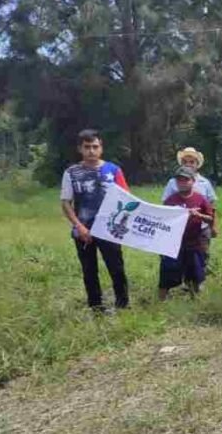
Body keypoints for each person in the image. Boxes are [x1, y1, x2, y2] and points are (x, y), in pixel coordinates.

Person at [60, 129, 131, 311]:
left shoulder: (113, 170)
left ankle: (123, 304)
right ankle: (96, 307)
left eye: (95, 147)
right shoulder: (71, 172)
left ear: (101, 148)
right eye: (87, 147)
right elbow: (66, 203)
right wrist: (79, 226)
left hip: (110, 229)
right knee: (89, 270)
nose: (91, 151)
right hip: (83, 230)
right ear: (80, 149)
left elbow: (127, 198)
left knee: (116, 268)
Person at [159, 167, 214, 300]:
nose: (182, 182)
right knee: (168, 272)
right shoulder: (171, 200)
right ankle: (161, 301)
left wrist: (199, 215)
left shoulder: (200, 199)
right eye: (179, 180)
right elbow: (163, 219)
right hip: (174, 243)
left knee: (195, 273)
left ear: (193, 181)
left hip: (194, 242)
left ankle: (195, 299)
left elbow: (210, 218)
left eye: (186, 180)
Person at [161, 147, 218, 262]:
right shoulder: (172, 182)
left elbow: (211, 207)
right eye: (185, 162)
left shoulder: (205, 183)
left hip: (201, 227)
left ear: (197, 164)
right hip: (178, 228)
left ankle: (200, 276)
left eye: (192, 162)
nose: (188, 164)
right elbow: (165, 206)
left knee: (202, 255)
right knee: (178, 256)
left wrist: (214, 227)